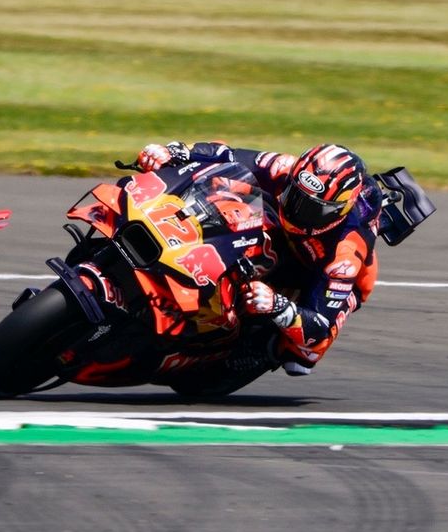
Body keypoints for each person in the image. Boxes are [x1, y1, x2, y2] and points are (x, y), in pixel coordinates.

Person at [136, 140, 382, 378]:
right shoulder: (284, 168)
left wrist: (279, 306)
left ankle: (267, 351)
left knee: (303, 357)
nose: (297, 210)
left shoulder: (345, 253)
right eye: (294, 195)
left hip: (319, 270)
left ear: (339, 211)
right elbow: (226, 154)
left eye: (312, 209)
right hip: (284, 236)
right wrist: (177, 151)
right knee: (229, 192)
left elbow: (319, 328)